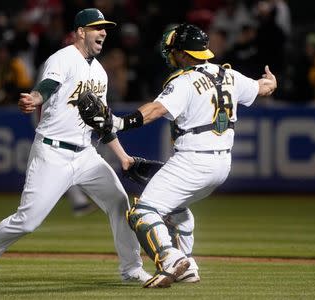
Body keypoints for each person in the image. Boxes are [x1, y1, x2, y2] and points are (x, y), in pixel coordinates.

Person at [0, 8, 151, 284]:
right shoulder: (62, 59)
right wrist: (36, 98)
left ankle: (131, 269)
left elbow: (101, 121)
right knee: (29, 220)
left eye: (105, 28)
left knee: (119, 201)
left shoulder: (100, 73)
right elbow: (47, 86)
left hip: (86, 154)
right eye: (96, 27)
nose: (103, 32)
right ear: (80, 32)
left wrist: (122, 157)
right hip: (53, 152)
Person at [106, 23, 277, 288]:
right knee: (178, 211)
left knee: (142, 212)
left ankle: (170, 258)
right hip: (221, 164)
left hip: (193, 159)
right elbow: (263, 88)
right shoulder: (229, 75)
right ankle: (188, 267)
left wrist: (120, 123)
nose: (171, 56)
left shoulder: (184, 81)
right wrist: (271, 82)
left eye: (174, 51)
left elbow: (155, 110)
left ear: (185, 54)